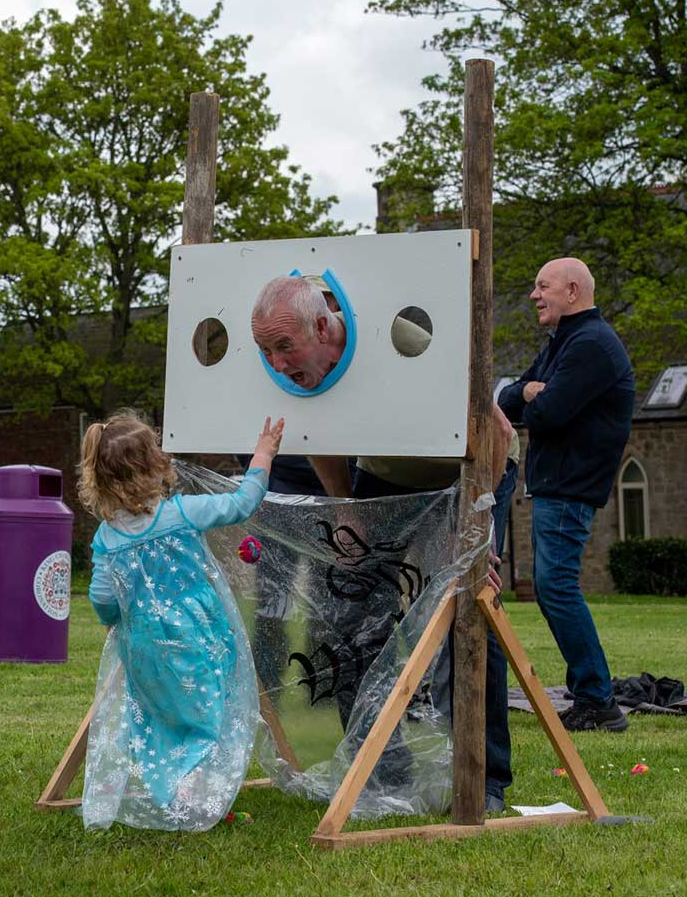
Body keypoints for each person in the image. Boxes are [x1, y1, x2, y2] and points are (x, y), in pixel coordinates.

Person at [250, 274, 517, 810]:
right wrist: (348, 505)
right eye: (265, 351)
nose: (276, 365)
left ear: (324, 326)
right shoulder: (302, 374)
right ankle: (383, 770)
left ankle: (482, 779)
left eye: (284, 346)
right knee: (345, 615)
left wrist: (473, 525)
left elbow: (501, 433)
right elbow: (318, 431)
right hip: (386, 481)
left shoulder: (402, 340)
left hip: (468, 477)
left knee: (465, 610)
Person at [78, 409, 286, 831]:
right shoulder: (182, 513)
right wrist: (263, 454)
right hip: (197, 635)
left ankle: (176, 785)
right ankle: (194, 794)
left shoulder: (108, 537)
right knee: (208, 714)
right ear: (155, 465)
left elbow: (101, 596)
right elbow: (242, 502)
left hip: (144, 646)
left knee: (164, 715)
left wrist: (113, 618)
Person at [496, 257, 636, 733]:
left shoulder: (591, 345)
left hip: (570, 485)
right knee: (552, 585)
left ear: (572, 290)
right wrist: (532, 392)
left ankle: (597, 699)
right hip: (557, 483)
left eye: (543, 287)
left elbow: (548, 412)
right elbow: (506, 399)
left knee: (555, 585)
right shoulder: (565, 342)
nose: (534, 295)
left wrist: (536, 395)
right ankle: (593, 695)